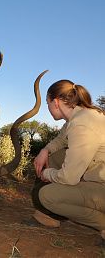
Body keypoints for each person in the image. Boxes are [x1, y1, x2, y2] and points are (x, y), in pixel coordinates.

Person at [30, 79, 105, 243]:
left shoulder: (82, 124)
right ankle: (49, 214)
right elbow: (60, 140)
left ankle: (102, 223)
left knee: (47, 196)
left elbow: (69, 178)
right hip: (95, 177)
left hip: (101, 187)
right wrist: (45, 151)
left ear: (55, 102)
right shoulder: (78, 115)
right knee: (52, 157)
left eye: (48, 103)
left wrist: (47, 174)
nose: (48, 109)